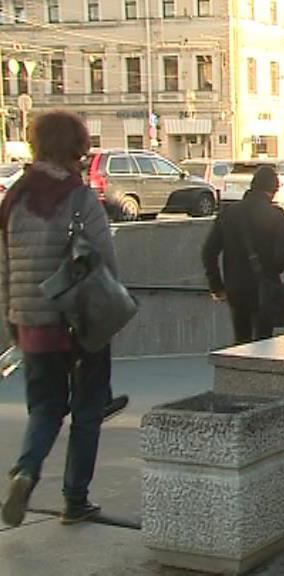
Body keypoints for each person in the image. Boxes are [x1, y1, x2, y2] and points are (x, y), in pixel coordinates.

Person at [0, 111, 116, 526]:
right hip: (78, 323)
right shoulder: (80, 197)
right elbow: (104, 260)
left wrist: (12, 317)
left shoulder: (13, 198)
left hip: (30, 323)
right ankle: (75, 499)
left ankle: (26, 470)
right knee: (87, 411)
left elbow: (4, 266)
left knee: (45, 409)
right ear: (75, 148)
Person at [202, 165, 284, 344]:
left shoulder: (229, 213)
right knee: (264, 342)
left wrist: (217, 286)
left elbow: (208, 252)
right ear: (273, 190)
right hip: (265, 289)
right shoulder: (276, 215)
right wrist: (268, 270)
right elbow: (283, 259)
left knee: (241, 340)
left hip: (235, 289)